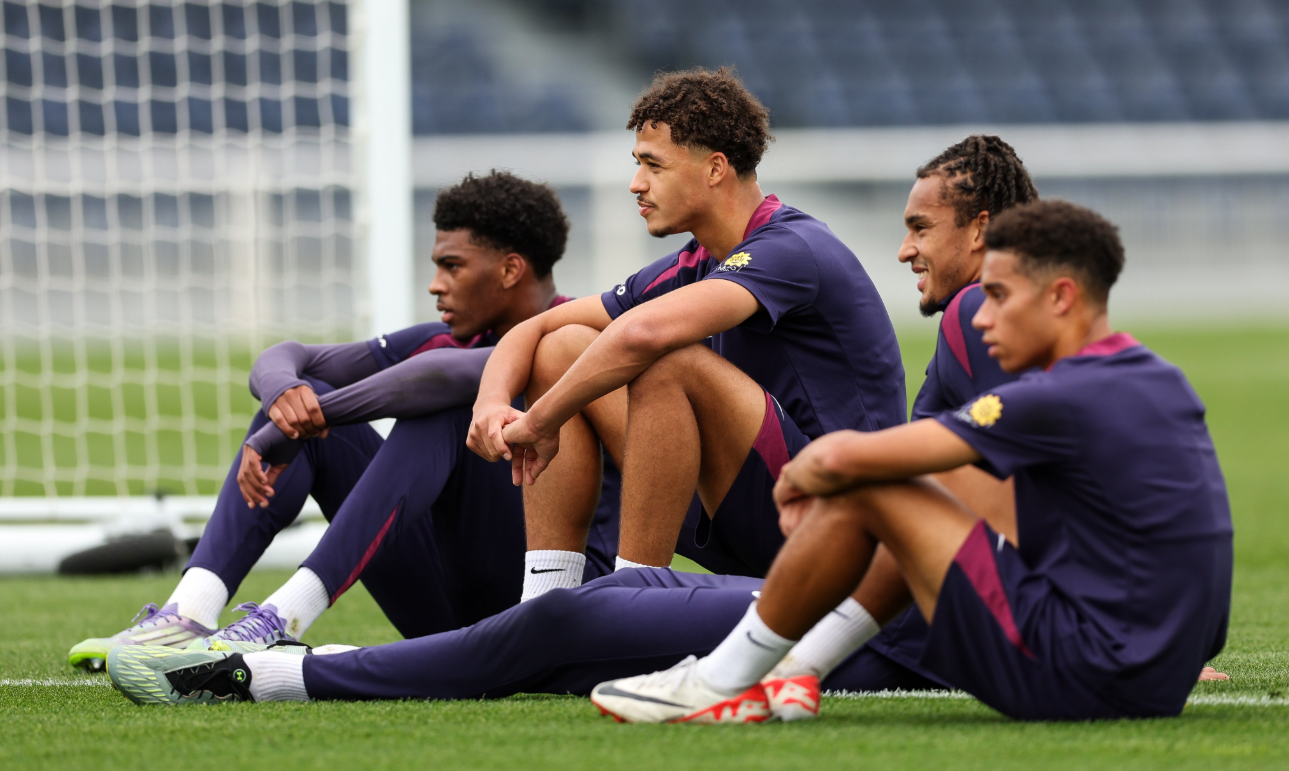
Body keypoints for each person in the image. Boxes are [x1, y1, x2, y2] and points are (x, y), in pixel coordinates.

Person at [592, 200, 1233, 723]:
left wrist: (812, 477)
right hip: (1156, 679)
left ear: (1061, 297)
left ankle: (721, 681)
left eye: (999, 296)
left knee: (881, 485)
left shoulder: (1058, 396)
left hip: (1078, 675)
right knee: (934, 483)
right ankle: (795, 672)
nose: (984, 319)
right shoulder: (1159, 378)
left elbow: (866, 459)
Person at [69, 172, 621, 670]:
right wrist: (284, 397)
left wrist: (294, 425)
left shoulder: (575, 342)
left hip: (559, 604)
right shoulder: (445, 337)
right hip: (449, 608)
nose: (435, 284)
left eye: (451, 266)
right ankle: (187, 615)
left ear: (509, 269)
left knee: (448, 407)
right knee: (300, 398)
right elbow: (289, 356)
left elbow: (443, 378)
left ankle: (280, 619)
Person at [468, 67, 906, 600]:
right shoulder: (697, 259)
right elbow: (536, 326)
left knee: (669, 361)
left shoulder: (792, 247)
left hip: (841, 530)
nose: (636, 183)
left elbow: (642, 335)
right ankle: (543, 600)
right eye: (638, 165)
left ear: (716, 168)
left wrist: (539, 421)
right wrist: (490, 404)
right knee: (560, 347)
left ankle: (630, 603)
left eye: (653, 165)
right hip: (759, 514)